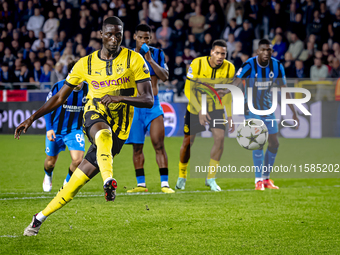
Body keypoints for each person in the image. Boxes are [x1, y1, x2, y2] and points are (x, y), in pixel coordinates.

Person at [15, 16, 153, 236]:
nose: (114, 38)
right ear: (101, 34)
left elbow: (148, 99)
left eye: (118, 34)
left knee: (75, 184)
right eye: (109, 33)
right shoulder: (84, 64)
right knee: (102, 133)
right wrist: (32, 118)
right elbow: (59, 97)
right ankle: (109, 180)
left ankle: (38, 218)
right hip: (95, 114)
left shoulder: (134, 60)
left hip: (121, 127)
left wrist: (120, 98)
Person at [219, 39, 300, 190]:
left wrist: (294, 113)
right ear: (257, 52)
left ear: (272, 52)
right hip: (250, 108)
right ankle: (258, 181)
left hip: (268, 109)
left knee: (274, 143)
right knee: (258, 140)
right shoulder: (249, 64)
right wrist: (226, 90)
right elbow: (237, 80)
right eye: (262, 50)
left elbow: (284, 90)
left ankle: (266, 179)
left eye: (268, 50)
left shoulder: (277, 66)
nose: (266, 53)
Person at [175, 40, 235, 192]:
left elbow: (227, 94)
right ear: (211, 53)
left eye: (223, 54)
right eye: (217, 53)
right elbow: (188, 90)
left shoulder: (230, 68)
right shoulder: (197, 64)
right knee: (188, 142)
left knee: (220, 139)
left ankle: (211, 178)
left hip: (216, 107)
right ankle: (182, 175)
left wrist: (230, 116)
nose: (220, 56)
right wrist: (201, 109)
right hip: (196, 107)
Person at [125, 24, 174, 193]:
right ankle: (141, 185)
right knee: (137, 147)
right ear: (135, 37)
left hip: (153, 104)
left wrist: (150, 59)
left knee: (158, 144)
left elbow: (165, 77)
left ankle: (165, 184)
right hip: (135, 106)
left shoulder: (158, 54)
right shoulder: (127, 56)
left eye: (147, 38)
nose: (144, 40)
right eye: (141, 37)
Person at [42, 61, 88, 192]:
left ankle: (67, 182)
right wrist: (49, 128)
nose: (78, 81)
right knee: (50, 162)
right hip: (55, 130)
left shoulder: (88, 89)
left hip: (74, 130)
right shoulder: (59, 87)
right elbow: (47, 108)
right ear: (70, 75)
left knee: (78, 159)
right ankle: (48, 175)